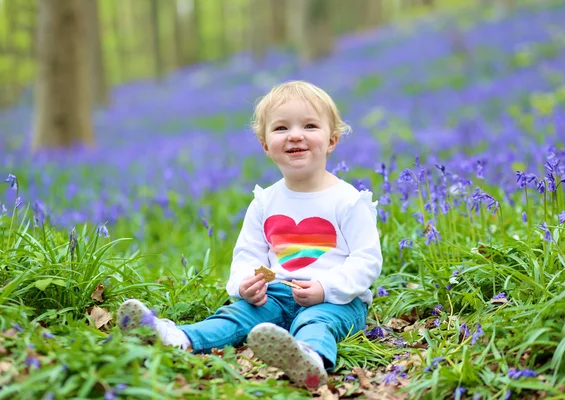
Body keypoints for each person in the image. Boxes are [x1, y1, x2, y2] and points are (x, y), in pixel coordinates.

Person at [117, 80, 383, 391]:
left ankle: (309, 358)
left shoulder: (348, 200)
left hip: (339, 300)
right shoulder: (265, 202)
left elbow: (366, 260)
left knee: (316, 322)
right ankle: (179, 338)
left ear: (332, 140)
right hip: (278, 293)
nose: (295, 135)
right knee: (237, 315)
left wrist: (326, 288)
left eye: (310, 126)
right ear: (265, 145)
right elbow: (249, 253)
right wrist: (245, 285)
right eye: (281, 128)